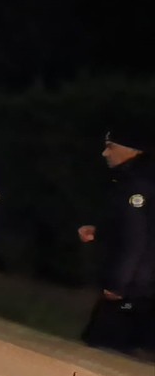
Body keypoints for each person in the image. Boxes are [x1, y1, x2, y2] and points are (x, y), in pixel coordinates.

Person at [78, 129, 154, 355]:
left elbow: (136, 240)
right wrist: (100, 231)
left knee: (104, 350)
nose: (105, 153)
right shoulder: (135, 178)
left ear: (131, 150)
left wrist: (118, 284)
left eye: (111, 147)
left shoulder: (137, 184)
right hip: (141, 286)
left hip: (135, 288)